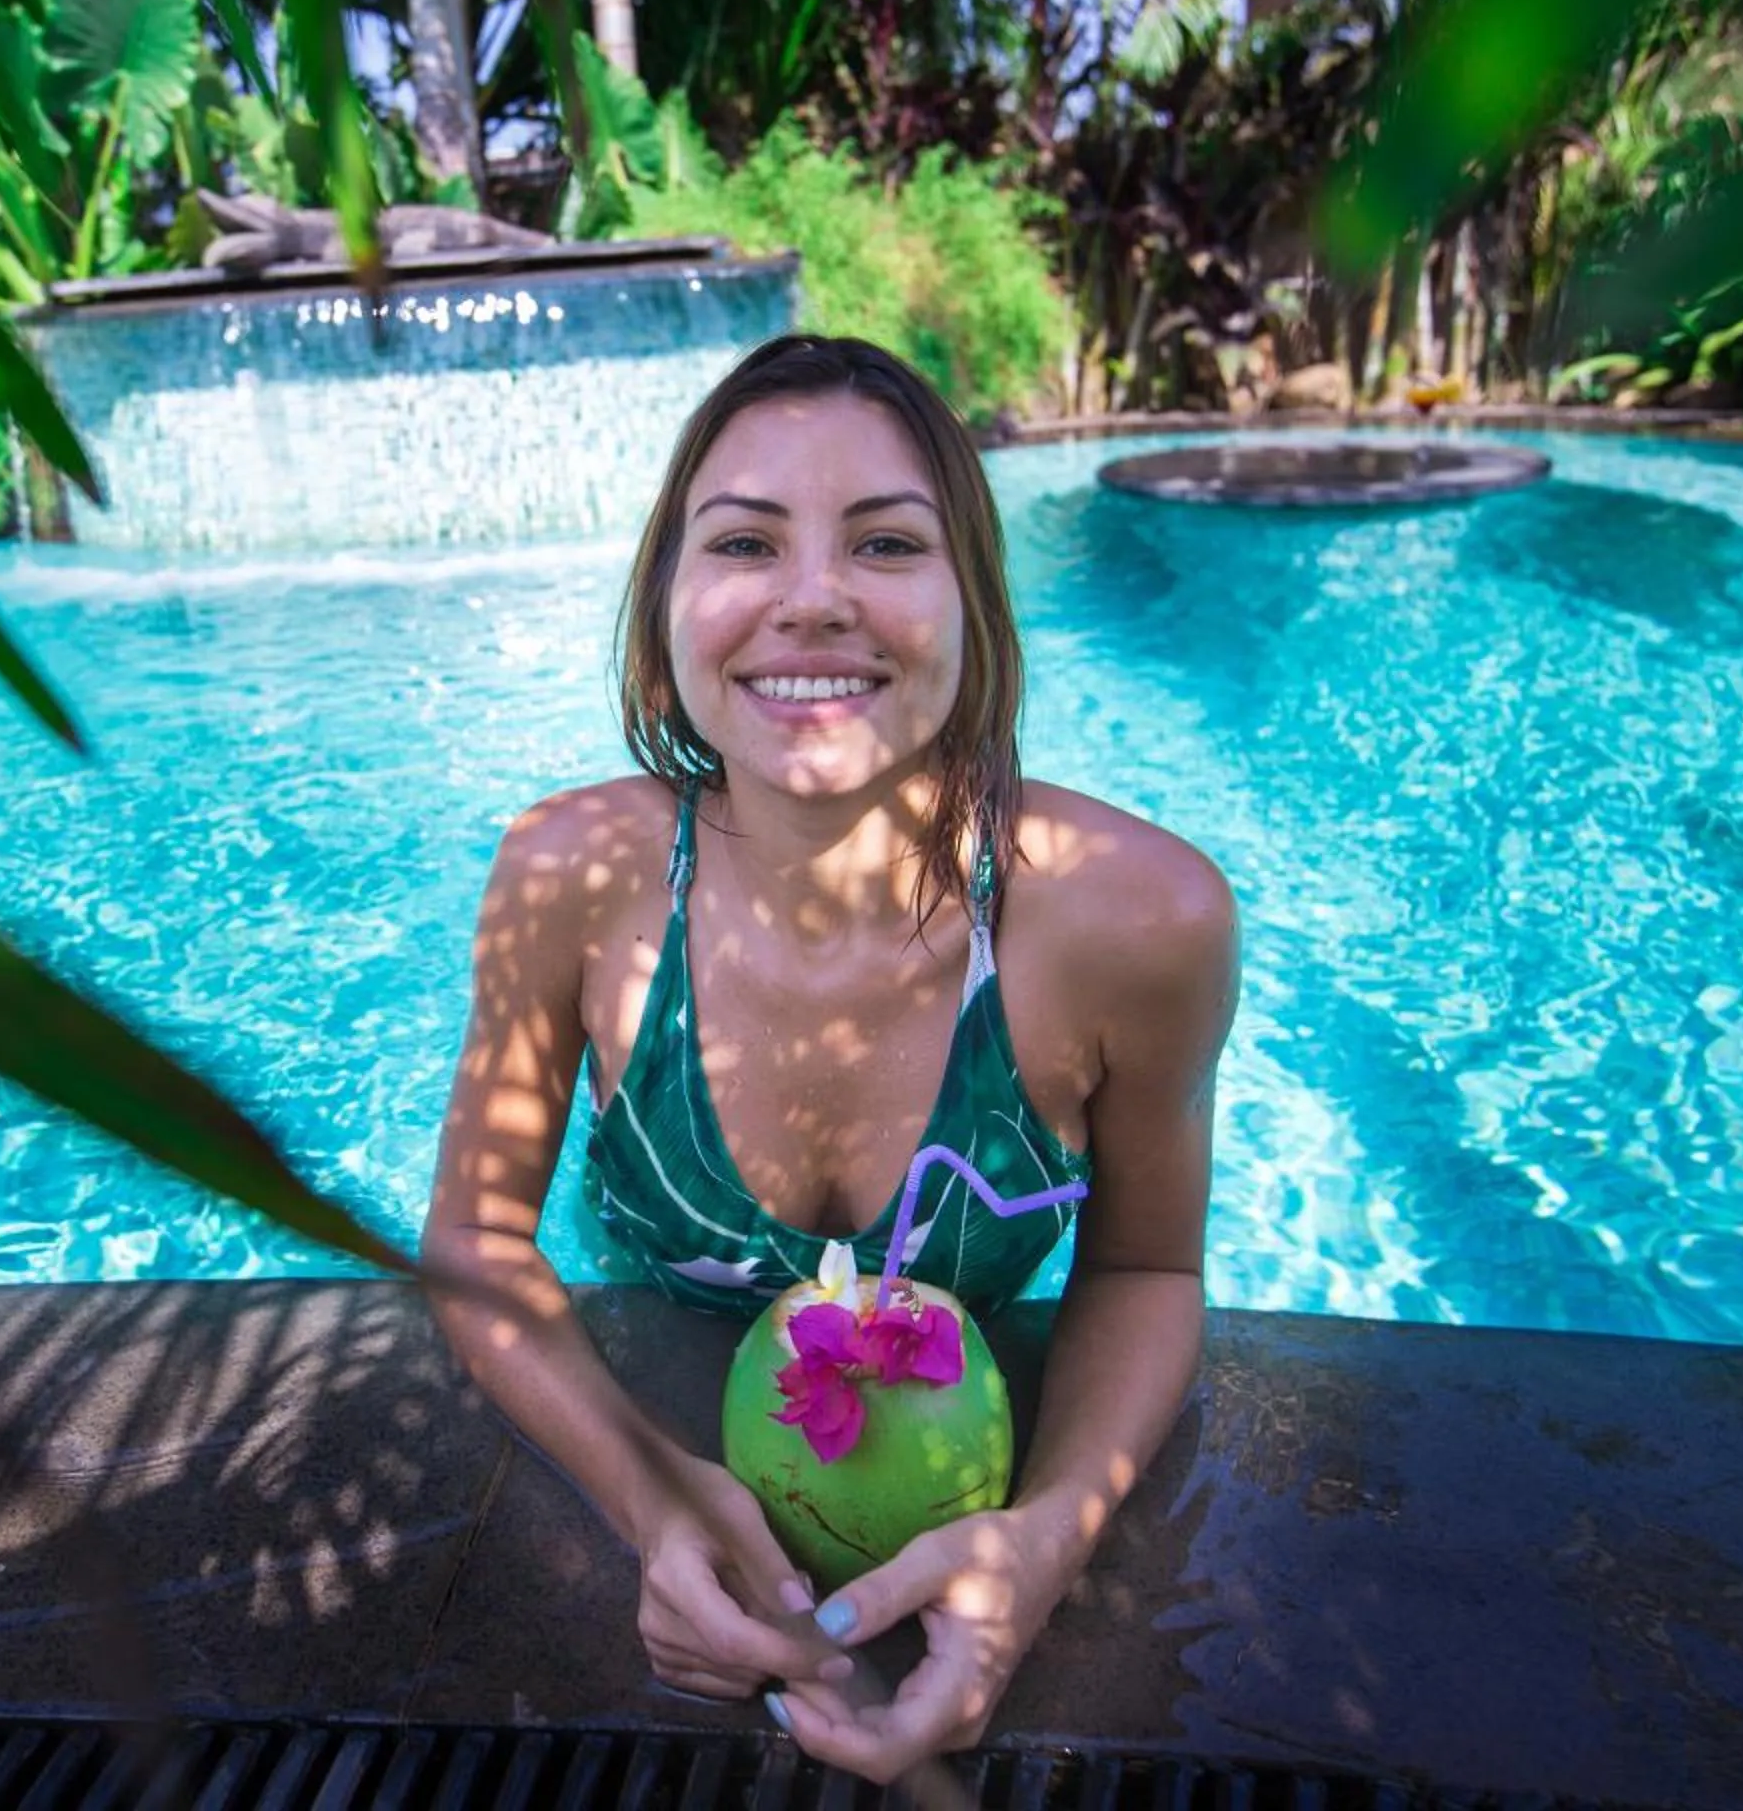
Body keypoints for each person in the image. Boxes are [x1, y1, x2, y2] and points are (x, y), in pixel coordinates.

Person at [422, 333, 1235, 1786]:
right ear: (665, 605)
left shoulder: (1139, 918)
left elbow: (1148, 1270)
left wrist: (1045, 1543)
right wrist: (649, 1497)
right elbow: (480, 1239)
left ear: (972, 605)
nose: (812, 601)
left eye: (885, 543)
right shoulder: (571, 877)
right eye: (744, 541)